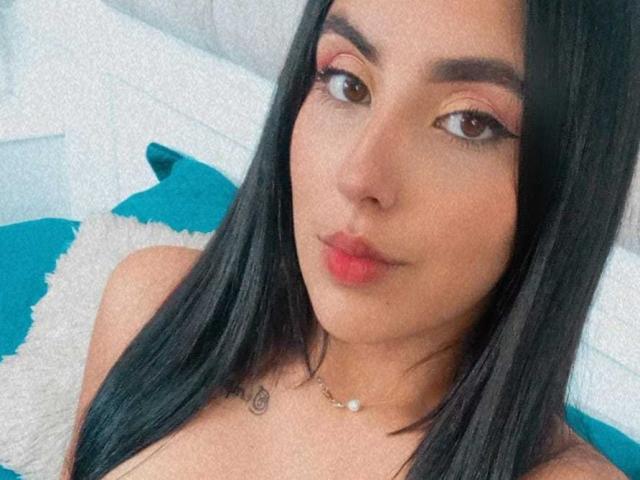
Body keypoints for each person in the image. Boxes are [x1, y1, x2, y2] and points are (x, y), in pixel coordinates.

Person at [61, 0, 639, 478]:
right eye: (348, 83)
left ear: (572, 182)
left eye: (469, 122)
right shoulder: (148, 301)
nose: (360, 176)